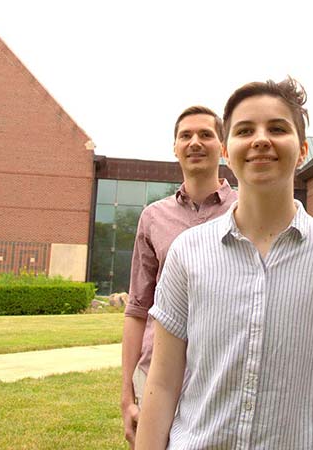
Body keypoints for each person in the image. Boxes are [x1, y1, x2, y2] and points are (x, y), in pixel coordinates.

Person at [136, 78, 313, 449]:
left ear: (303, 149)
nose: (261, 139)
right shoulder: (188, 253)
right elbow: (163, 384)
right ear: (228, 152)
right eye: (245, 130)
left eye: (277, 128)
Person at [120, 105, 237, 448]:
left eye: (205, 134)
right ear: (175, 148)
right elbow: (138, 308)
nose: (195, 142)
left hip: (221, 375)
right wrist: (126, 393)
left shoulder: (246, 210)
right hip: (155, 373)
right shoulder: (153, 218)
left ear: (223, 146)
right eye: (185, 135)